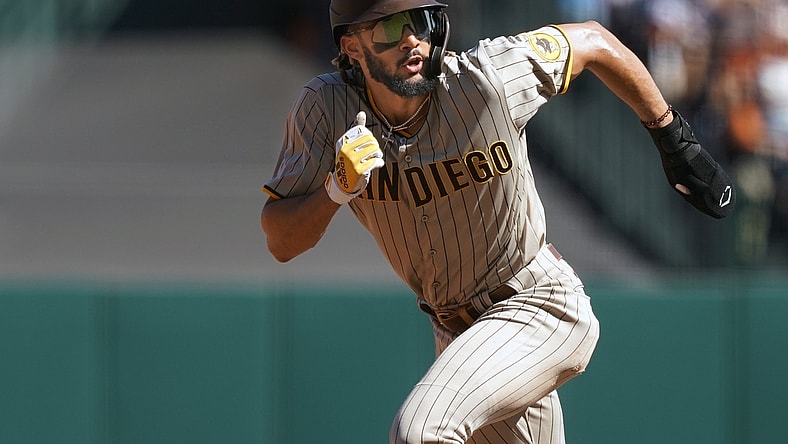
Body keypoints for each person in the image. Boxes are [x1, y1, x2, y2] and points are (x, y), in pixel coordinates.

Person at [260, 1, 735, 442]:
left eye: (421, 21)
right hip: (460, 335)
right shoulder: (325, 110)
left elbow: (593, 40)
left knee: (422, 430)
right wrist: (334, 191)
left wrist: (673, 136)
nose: (411, 40)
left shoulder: (485, 77)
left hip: (539, 304)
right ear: (351, 47)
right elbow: (281, 241)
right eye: (389, 27)